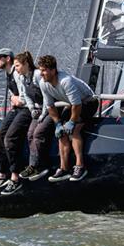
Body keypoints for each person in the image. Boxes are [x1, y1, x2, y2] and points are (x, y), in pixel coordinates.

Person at [38, 55, 98, 183]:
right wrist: (58, 124)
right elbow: (50, 107)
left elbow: (78, 105)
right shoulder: (43, 83)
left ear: (53, 71)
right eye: (40, 70)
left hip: (88, 103)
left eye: (44, 70)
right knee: (61, 133)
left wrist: (71, 122)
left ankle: (80, 166)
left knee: (74, 130)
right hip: (72, 105)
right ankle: (64, 168)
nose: (41, 73)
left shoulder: (65, 81)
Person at [0, 48, 24, 193]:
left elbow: (26, 95)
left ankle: (15, 177)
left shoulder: (17, 73)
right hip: (16, 109)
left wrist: (16, 99)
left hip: (25, 108)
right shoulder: (8, 74)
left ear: (8, 59)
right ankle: (2, 174)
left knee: (9, 139)